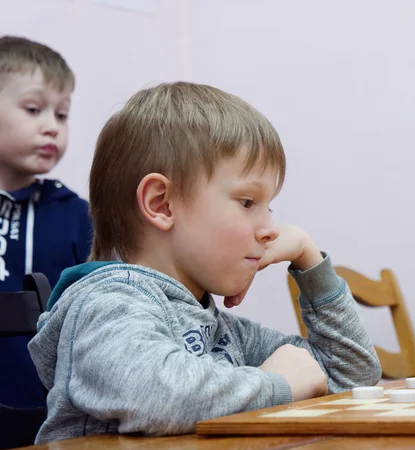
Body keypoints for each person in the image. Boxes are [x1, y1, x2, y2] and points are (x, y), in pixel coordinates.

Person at [28, 82, 382, 444]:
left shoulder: (220, 328)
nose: (271, 229)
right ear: (162, 204)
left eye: (269, 206)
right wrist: (277, 385)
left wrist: (309, 260)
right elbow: (154, 395)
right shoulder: (107, 305)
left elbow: (350, 378)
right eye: (247, 202)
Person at [0, 35, 92, 413]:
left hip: (50, 420)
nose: (52, 126)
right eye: (34, 108)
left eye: (62, 114)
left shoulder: (77, 217)